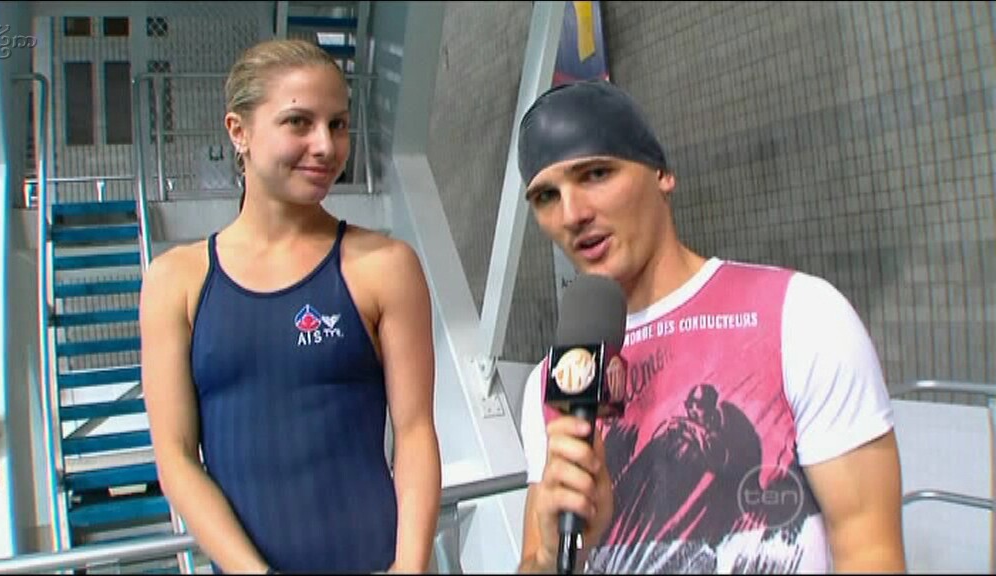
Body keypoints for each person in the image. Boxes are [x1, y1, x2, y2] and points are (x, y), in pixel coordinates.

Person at [515, 80, 906, 573]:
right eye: (546, 196)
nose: (572, 214)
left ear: (662, 173)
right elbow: (533, 561)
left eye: (596, 174)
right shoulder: (555, 381)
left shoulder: (803, 316)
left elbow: (870, 551)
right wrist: (552, 556)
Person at [139, 38, 441, 574]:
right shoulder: (176, 282)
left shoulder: (383, 266)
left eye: (338, 124)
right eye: (299, 122)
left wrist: (410, 566)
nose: (325, 145)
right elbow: (177, 459)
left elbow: (415, 431)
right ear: (239, 132)